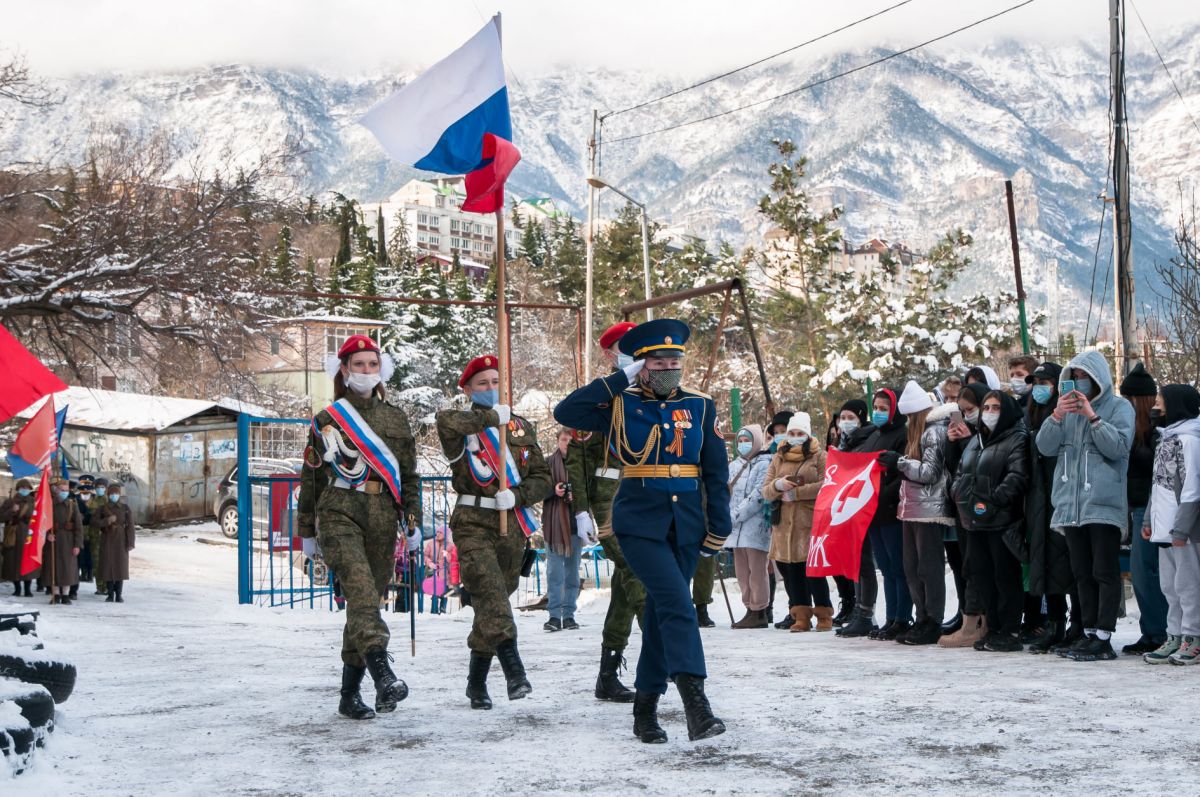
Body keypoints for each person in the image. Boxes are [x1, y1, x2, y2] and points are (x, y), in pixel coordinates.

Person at [554, 318, 730, 744]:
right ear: (643, 366)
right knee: (676, 603)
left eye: (675, 358)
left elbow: (714, 469)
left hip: (686, 522)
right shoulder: (620, 403)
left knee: (661, 615)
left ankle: (645, 708)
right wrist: (620, 379)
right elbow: (566, 412)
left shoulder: (700, 406)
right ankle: (696, 702)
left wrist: (718, 524)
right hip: (639, 522)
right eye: (659, 360)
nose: (670, 365)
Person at [297, 334, 422, 720]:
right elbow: (311, 476)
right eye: (358, 365)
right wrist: (306, 533)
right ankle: (383, 674)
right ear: (345, 370)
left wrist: (412, 519)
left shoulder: (395, 418)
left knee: (365, 601)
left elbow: (409, 476)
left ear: (380, 370)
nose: (366, 371)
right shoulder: (329, 418)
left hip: (383, 514)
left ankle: (349, 695)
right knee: (363, 593)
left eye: (372, 364)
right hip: (339, 509)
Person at [437, 354, 551, 710]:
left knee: (494, 601)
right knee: (489, 593)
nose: (490, 388)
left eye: (495, 382)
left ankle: (475, 682)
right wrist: (490, 417)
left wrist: (516, 495)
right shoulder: (461, 424)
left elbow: (543, 478)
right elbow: (446, 421)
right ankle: (514, 671)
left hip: (510, 525)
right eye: (482, 383)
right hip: (472, 522)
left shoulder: (518, 428)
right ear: (468, 389)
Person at [1036, 351, 1135, 662]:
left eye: (1082, 377)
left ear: (1096, 379)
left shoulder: (1120, 408)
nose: (1077, 382)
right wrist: (1056, 416)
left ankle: (1104, 635)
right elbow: (1045, 446)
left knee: (1104, 572)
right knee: (1081, 574)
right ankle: (1088, 632)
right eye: (1073, 376)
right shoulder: (1065, 413)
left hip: (1103, 505)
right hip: (1071, 505)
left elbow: (1118, 447)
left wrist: (1093, 417)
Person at [572, 321, 645, 704]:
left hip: (648, 498)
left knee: (624, 587)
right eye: (625, 345)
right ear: (609, 354)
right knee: (639, 570)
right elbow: (577, 458)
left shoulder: (657, 390)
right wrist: (581, 509)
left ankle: (608, 672)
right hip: (608, 503)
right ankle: (664, 656)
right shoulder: (602, 396)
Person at [951, 391, 1030, 651]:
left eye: (996, 407)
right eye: (987, 407)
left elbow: (1017, 475)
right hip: (975, 521)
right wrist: (959, 495)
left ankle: (1009, 630)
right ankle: (992, 628)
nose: (990, 412)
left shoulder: (1017, 438)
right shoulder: (977, 440)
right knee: (982, 575)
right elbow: (962, 472)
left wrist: (994, 500)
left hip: (1002, 520)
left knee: (1004, 576)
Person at [1141, 384, 1200, 664]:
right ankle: (1174, 634)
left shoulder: (1189, 440)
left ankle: (1194, 636)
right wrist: (1148, 518)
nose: (1156, 407)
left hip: (1184, 531)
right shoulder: (1166, 438)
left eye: (1160, 401)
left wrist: (1182, 528)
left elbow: (1191, 488)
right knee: (1170, 585)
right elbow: (1158, 485)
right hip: (1163, 527)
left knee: (1189, 584)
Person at [1022, 362, 1079, 654]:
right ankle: (1055, 622)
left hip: (1063, 495)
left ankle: (1077, 623)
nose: (1040, 388)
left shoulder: (1067, 413)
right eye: (1037, 383)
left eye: (1047, 382)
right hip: (1039, 498)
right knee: (1046, 561)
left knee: (1070, 562)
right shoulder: (1029, 415)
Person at [894, 381, 956, 645]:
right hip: (912, 507)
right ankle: (921, 618)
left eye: (909, 416)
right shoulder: (918, 434)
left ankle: (932, 619)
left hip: (930, 509)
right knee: (912, 566)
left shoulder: (933, 433)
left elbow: (930, 473)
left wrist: (900, 463)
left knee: (928, 567)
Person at [763, 412, 832, 632]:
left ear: (808, 434)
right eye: (791, 433)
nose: (794, 436)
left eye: (799, 433)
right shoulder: (779, 456)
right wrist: (778, 486)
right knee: (793, 572)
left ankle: (823, 613)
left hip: (810, 520)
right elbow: (765, 490)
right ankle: (800, 615)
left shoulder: (819, 456)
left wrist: (798, 493)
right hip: (784, 524)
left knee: (813, 571)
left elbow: (827, 484)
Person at [939, 382, 994, 647]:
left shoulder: (988, 432)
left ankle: (980, 622)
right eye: (961, 410)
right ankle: (970, 619)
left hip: (985, 506)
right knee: (968, 565)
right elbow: (953, 466)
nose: (966, 415)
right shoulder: (964, 433)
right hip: (963, 505)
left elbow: (986, 462)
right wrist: (954, 442)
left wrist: (969, 441)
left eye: (969, 409)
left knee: (981, 565)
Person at [1120, 362, 1168, 654]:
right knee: (1143, 571)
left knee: (1145, 570)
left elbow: (1155, 464)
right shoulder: (1136, 427)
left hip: (1148, 507)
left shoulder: (1155, 427)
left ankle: (1159, 629)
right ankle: (1151, 631)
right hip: (1134, 506)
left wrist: (1130, 446)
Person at [860, 389, 911, 641]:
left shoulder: (904, 435)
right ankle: (891, 616)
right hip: (873, 512)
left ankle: (902, 617)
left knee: (899, 566)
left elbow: (904, 470)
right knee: (887, 569)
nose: (879, 412)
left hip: (891, 509)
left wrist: (882, 495)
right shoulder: (874, 435)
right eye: (876, 407)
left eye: (884, 407)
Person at [726, 425, 773, 629]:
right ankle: (749, 607)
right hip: (735, 528)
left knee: (757, 570)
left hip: (754, 525)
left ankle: (759, 609)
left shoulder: (764, 463)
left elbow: (758, 495)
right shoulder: (734, 465)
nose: (743, 445)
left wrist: (734, 515)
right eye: (740, 441)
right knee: (742, 572)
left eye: (747, 440)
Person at [543, 428, 589, 632]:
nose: (567, 444)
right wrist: (553, 490)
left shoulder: (581, 464)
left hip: (575, 525)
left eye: (570, 440)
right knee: (555, 573)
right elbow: (536, 488)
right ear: (557, 441)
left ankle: (569, 615)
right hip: (554, 526)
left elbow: (588, 491)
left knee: (572, 574)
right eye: (563, 439)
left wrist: (575, 496)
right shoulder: (547, 464)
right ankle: (554, 616)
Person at [830, 400, 870, 627]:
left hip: (861, 507)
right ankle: (855, 608)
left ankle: (865, 612)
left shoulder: (867, 439)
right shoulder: (843, 442)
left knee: (863, 564)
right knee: (851, 563)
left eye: (850, 418)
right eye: (842, 418)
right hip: (845, 508)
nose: (845, 423)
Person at [765, 409, 794, 628]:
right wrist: (776, 487)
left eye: (784, 431)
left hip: (802, 517)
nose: (780, 436)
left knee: (801, 566)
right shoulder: (773, 455)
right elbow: (766, 487)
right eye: (776, 432)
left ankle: (815, 608)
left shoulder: (809, 454)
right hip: (777, 515)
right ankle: (795, 608)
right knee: (783, 565)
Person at [93, 482, 136, 603]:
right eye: (112, 493)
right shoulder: (102, 508)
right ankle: (110, 594)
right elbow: (94, 523)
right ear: (108, 494)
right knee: (107, 566)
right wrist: (107, 521)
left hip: (121, 540)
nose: (114, 495)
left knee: (120, 567)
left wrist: (130, 542)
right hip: (107, 539)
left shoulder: (125, 508)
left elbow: (130, 526)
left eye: (116, 493)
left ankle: (119, 594)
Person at [46, 477, 83, 605]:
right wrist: (47, 535)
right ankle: (55, 594)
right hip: (54, 540)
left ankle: (66, 595)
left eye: (66, 490)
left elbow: (78, 527)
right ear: (56, 490)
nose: (64, 492)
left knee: (68, 567)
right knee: (54, 567)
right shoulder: (49, 505)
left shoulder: (72, 505)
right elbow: (43, 523)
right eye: (62, 490)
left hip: (68, 540)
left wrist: (77, 544)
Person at [1, 479, 37, 597]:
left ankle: (28, 589)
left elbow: (38, 517)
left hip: (29, 534)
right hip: (14, 535)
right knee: (13, 562)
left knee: (27, 560)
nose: (25, 490)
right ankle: (17, 588)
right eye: (23, 488)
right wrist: (12, 511)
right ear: (18, 489)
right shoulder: (10, 502)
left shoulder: (34, 502)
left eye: (27, 488)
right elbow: (1, 517)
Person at [88, 478, 111, 595]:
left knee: (106, 561)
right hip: (94, 535)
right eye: (98, 487)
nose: (100, 489)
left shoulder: (109, 501)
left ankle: (107, 586)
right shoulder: (92, 500)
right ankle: (99, 586)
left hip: (106, 536)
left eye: (102, 487)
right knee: (96, 562)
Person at [74, 474, 95, 591]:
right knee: (81, 553)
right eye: (83, 484)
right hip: (80, 530)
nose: (85, 487)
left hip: (92, 531)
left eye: (88, 484)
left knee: (90, 553)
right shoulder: (76, 499)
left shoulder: (95, 498)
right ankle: (82, 572)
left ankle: (90, 574)